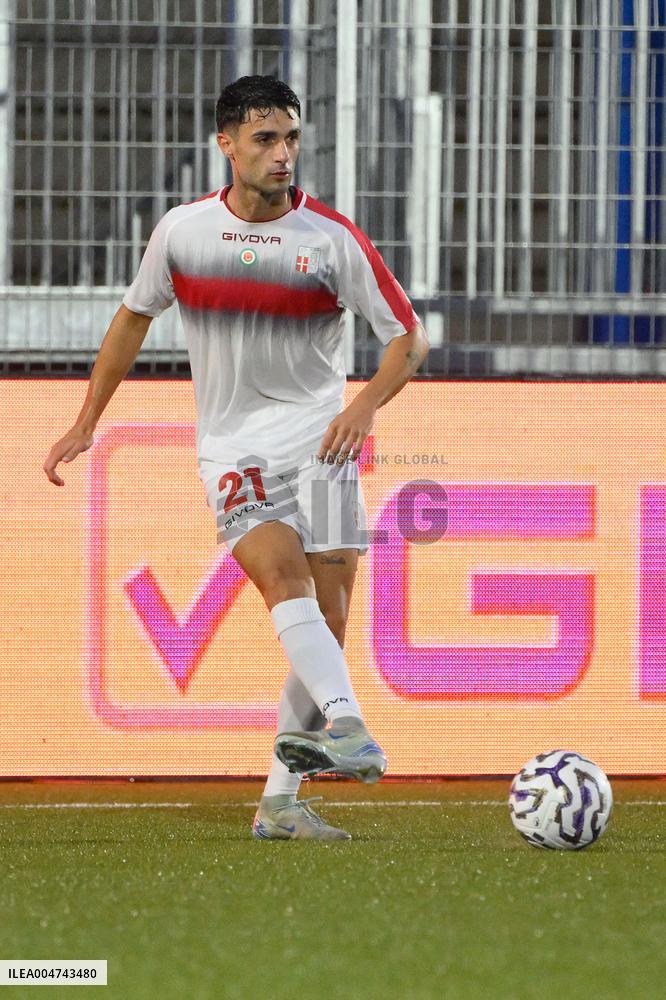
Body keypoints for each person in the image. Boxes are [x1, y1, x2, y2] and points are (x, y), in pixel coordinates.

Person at [43, 75, 429, 841]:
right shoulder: (183, 234)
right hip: (234, 447)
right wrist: (86, 420)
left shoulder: (331, 239)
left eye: (290, 137)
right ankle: (346, 726)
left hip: (325, 442)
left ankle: (280, 805)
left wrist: (360, 406)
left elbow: (408, 339)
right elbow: (131, 322)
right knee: (282, 579)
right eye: (265, 139)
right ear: (226, 144)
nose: (282, 154)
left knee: (333, 614)